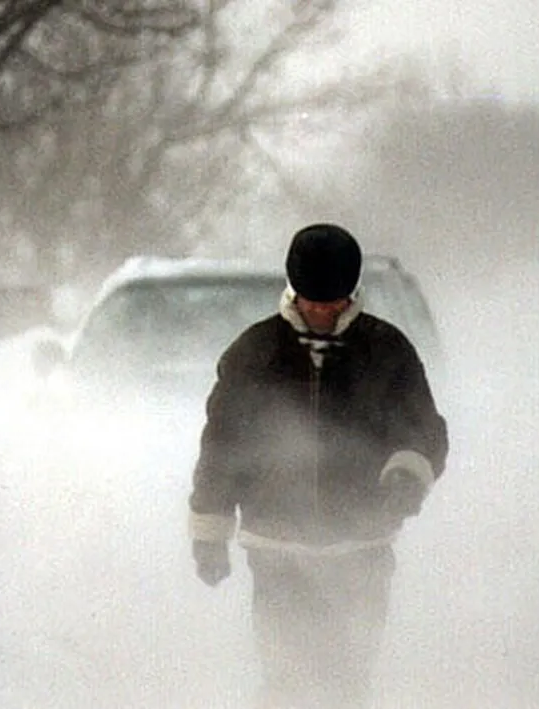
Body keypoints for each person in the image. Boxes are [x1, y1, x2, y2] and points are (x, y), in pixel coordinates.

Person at [187, 223, 449, 708]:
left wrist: (407, 475)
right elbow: (222, 447)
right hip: (277, 549)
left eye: (334, 302)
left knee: (349, 678)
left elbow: (424, 431)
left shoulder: (386, 351)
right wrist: (209, 534)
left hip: (362, 548)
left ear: (351, 295)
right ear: (295, 291)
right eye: (313, 301)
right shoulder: (254, 354)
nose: (324, 312)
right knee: (286, 675)